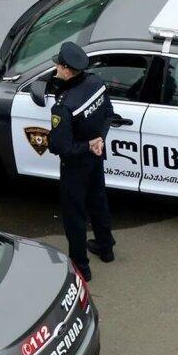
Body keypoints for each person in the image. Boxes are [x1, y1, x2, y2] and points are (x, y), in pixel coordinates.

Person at [48, 42, 115, 281]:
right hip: (96, 156)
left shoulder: (64, 106)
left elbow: (60, 147)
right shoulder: (96, 83)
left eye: (58, 65)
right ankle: (106, 248)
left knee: (74, 216)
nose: (56, 68)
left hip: (75, 165)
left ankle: (81, 267)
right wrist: (99, 141)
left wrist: (88, 145)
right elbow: (108, 114)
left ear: (66, 70)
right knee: (98, 201)